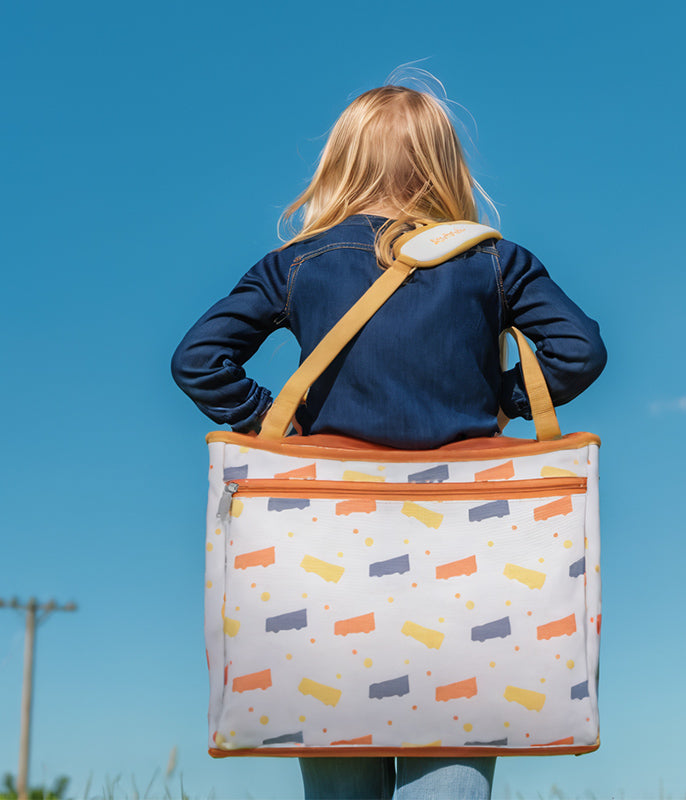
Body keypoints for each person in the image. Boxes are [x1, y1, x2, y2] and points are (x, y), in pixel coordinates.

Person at [172, 80, 606, 800]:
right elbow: (579, 351)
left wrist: (283, 427)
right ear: (444, 164)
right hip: (473, 568)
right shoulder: (493, 260)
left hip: (324, 562)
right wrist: (500, 401)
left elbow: (198, 360)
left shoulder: (297, 264)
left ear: (340, 162)